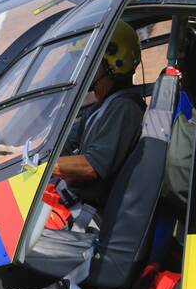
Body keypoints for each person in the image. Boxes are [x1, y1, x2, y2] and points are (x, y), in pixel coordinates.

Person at [51, 20, 145, 225]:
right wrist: (17, 152)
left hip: (88, 217)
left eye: (91, 64)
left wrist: (40, 166)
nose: (84, 73)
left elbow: (91, 166)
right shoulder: (101, 107)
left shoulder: (125, 109)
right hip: (73, 204)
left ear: (115, 64)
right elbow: (63, 144)